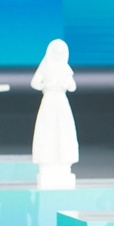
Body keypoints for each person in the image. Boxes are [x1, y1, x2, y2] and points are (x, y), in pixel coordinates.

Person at [30, 38, 80, 187]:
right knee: (48, 130)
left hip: (61, 102)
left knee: (63, 130)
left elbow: (73, 87)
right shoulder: (45, 66)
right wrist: (46, 85)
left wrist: (66, 83)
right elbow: (34, 83)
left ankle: (63, 162)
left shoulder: (65, 68)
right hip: (49, 101)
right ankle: (47, 162)